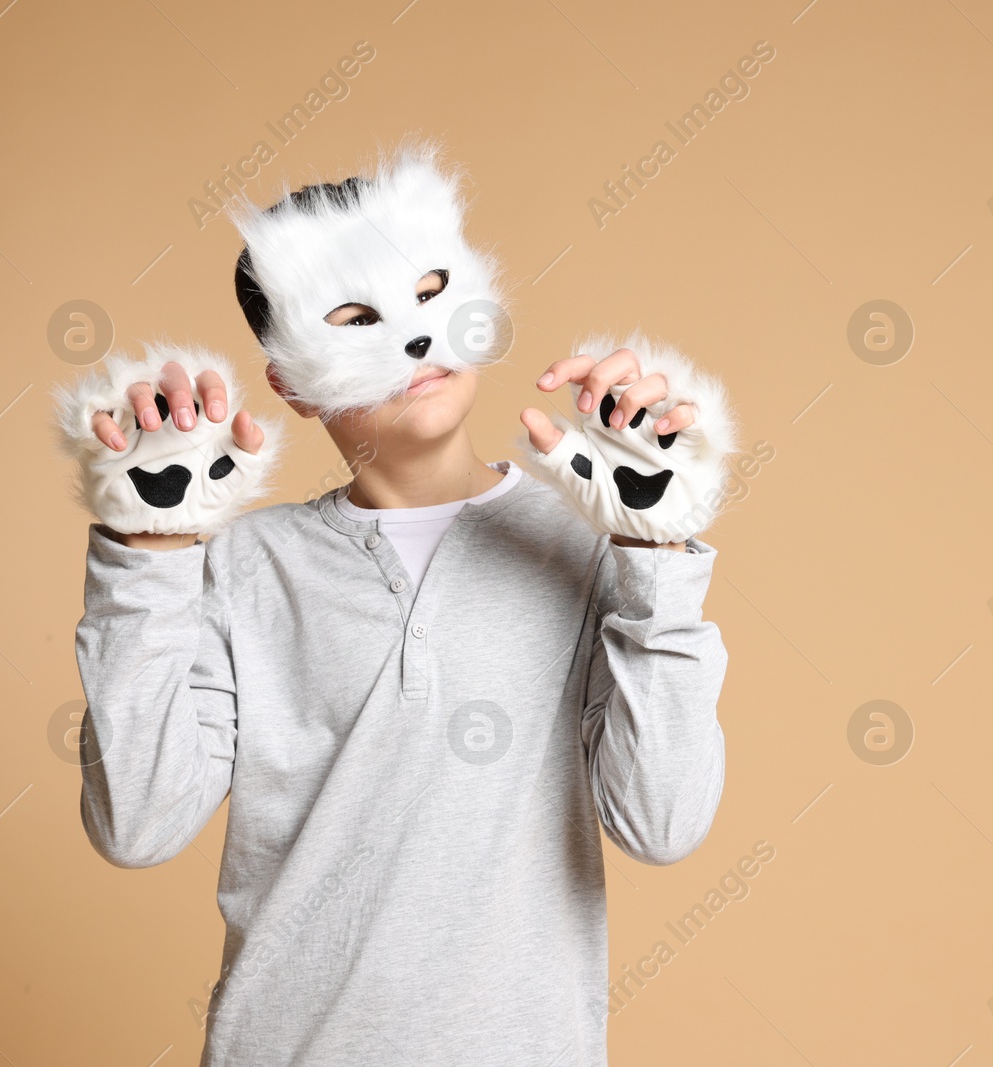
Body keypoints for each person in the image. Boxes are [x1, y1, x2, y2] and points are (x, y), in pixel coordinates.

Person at [62, 143, 735, 1065]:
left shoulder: (577, 542)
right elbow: (137, 826)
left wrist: (655, 552)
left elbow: (661, 824)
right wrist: (147, 550)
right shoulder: (245, 566)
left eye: (431, 292)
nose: (413, 340)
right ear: (292, 386)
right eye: (351, 317)